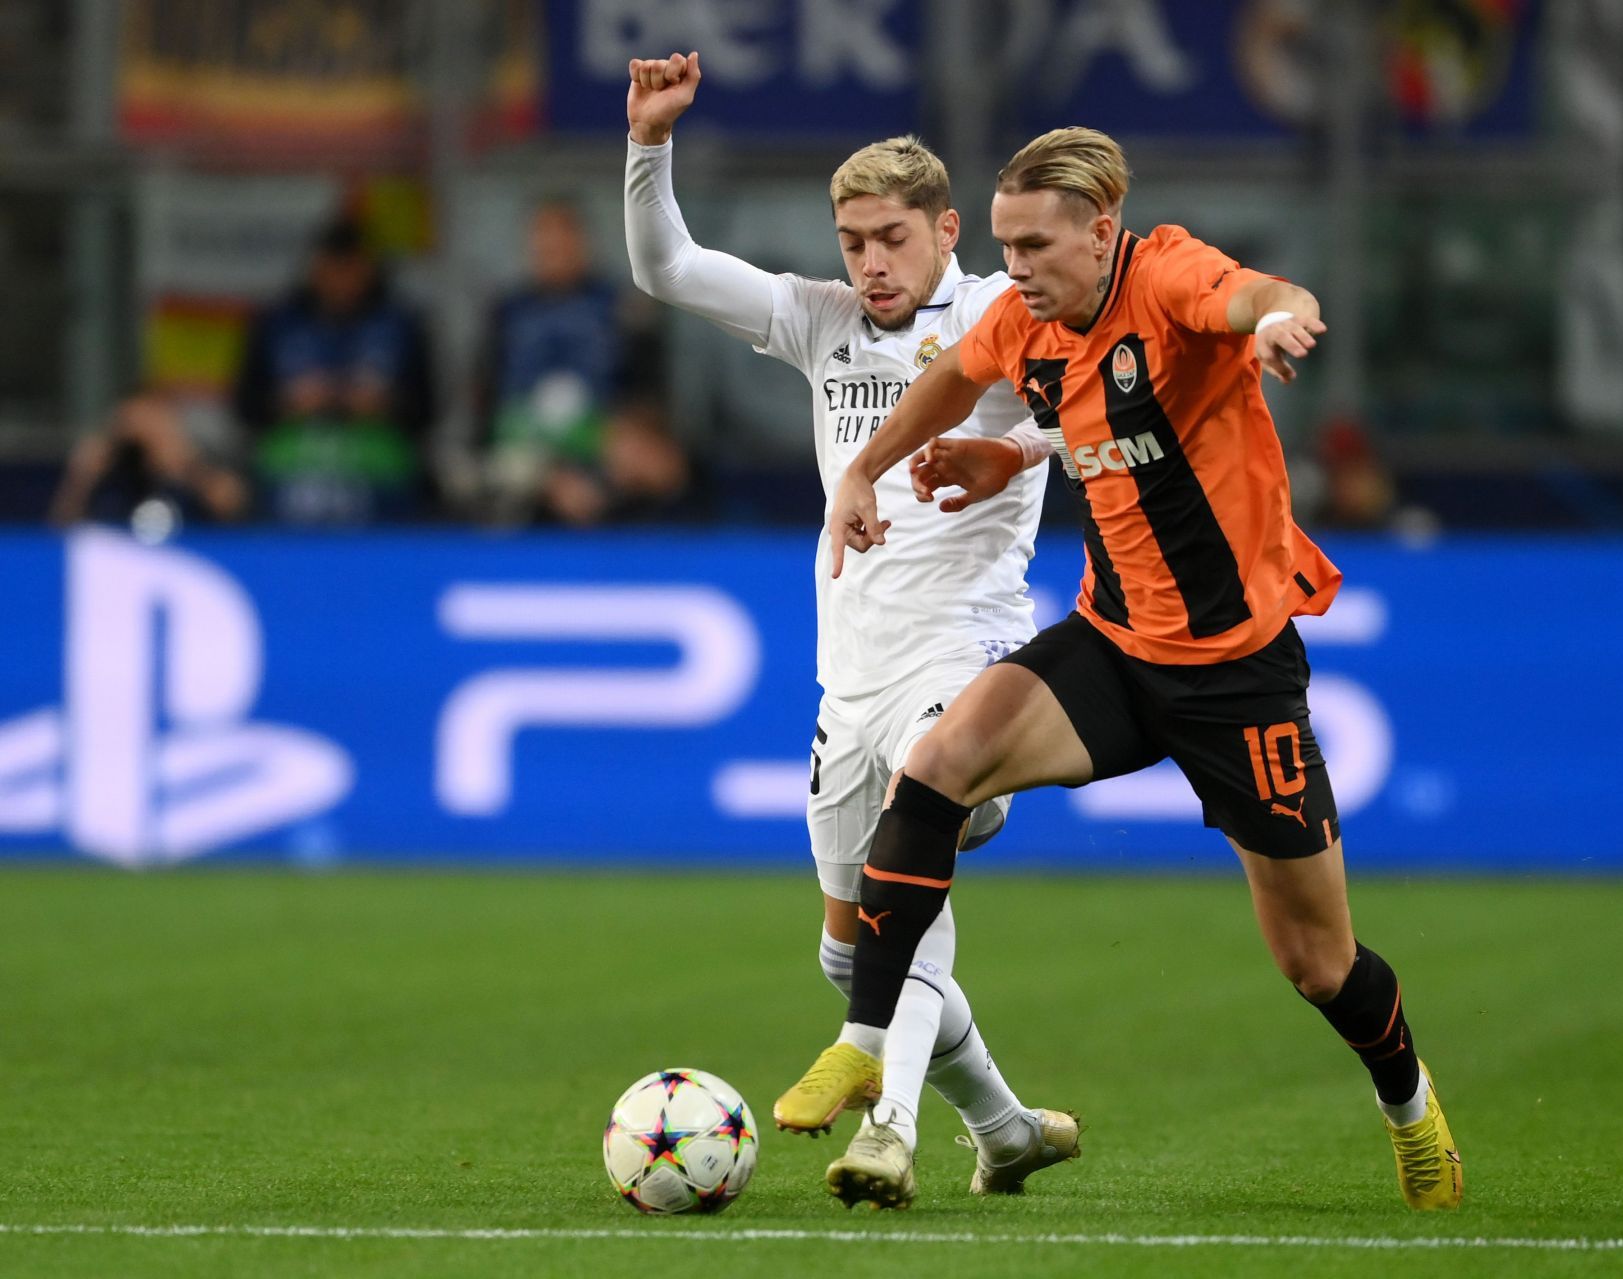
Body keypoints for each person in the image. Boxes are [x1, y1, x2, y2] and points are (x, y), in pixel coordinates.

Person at [783, 127, 1463, 1212]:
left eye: (1037, 247)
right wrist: (864, 468)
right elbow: (955, 379)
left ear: (1102, 233)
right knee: (935, 765)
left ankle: (1409, 1105)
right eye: (1004, 247)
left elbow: (1252, 295)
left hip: (1235, 677)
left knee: (1317, 963)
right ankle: (868, 1040)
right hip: (1110, 646)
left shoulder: (1169, 280)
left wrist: (1281, 316)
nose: (1016, 270)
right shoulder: (1027, 320)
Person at [622, 51, 1078, 1207]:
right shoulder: (818, 323)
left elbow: (1113, 412)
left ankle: (889, 1129)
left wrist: (1014, 450)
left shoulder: (1000, 315)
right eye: (852, 240)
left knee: (910, 873)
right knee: (848, 947)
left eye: (890, 238)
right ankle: (1010, 1125)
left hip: (968, 657)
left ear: (946, 229)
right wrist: (649, 145)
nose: (868, 262)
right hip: (851, 680)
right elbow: (666, 265)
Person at [476, 199, 684, 526]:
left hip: (602, 437)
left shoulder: (621, 307)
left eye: (562, 237)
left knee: (663, 467)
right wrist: (550, 471)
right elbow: (483, 404)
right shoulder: (507, 311)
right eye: (542, 238)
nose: (552, 247)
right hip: (523, 441)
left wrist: (624, 434)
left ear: (583, 241)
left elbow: (651, 395)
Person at [232, 217, 436, 525]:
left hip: (380, 471)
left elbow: (428, 409)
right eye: (332, 268)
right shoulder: (277, 322)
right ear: (316, 267)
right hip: (290, 465)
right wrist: (288, 403)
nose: (341, 280)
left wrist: (384, 405)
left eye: (350, 268)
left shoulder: (401, 323)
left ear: (367, 268)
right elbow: (245, 406)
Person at [50, 388, 248, 530]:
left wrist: (185, 467)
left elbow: (232, 509)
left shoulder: (194, 468)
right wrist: (81, 479)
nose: (143, 435)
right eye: (132, 425)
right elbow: (61, 529)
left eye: (153, 427)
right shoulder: (111, 476)